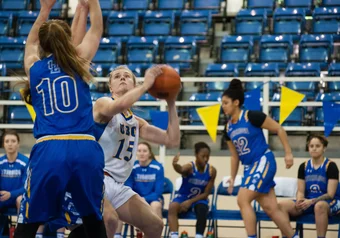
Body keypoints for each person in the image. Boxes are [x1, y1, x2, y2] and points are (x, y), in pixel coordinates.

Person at [14, 0, 108, 236]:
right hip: (84, 146)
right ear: (67, 41)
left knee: (30, 221)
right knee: (93, 220)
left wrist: (44, 9)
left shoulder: (34, 67)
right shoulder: (79, 61)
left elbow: (31, 42)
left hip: (50, 147)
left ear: (44, 44)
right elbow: (96, 29)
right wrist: (93, 2)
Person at [58, 64, 180, 238]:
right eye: (117, 76)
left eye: (127, 76)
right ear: (110, 87)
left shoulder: (137, 123)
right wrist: (145, 86)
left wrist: (171, 101)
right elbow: (117, 106)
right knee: (110, 220)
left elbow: (172, 140)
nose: (122, 78)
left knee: (155, 225)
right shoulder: (102, 104)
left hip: (116, 185)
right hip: (90, 179)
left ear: (133, 83)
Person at [222, 79, 298, 238]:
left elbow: (278, 128)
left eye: (226, 102)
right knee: (271, 208)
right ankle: (293, 236)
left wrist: (288, 152)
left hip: (263, 161)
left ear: (236, 102)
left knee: (242, 200)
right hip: (250, 167)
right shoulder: (228, 127)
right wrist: (232, 177)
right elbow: (234, 156)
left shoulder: (252, 116)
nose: (223, 106)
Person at [279, 135, 340, 238]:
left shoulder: (331, 166)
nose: (314, 148)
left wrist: (312, 201)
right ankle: (291, 236)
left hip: (329, 202)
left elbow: (330, 194)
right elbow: (301, 191)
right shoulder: (303, 166)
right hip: (308, 202)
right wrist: (299, 200)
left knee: (319, 206)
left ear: (324, 148)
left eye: (317, 146)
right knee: (281, 206)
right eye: (311, 146)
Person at [115, 142, 165, 238]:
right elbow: (128, 187)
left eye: (145, 151)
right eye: (139, 151)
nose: (142, 153)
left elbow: (158, 192)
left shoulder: (158, 167)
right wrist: (138, 199)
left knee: (156, 205)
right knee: (118, 204)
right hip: (135, 199)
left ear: (150, 153)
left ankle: (153, 235)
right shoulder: (132, 167)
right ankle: (117, 235)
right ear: (135, 153)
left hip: (152, 199)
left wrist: (143, 199)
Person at [168, 142, 217, 238]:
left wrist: (190, 202)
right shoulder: (190, 167)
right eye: (203, 156)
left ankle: (199, 235)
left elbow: (206, 193)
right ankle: (174, 235)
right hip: (184, 196)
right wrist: (174, 164)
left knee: (202, 210)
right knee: (172, 207)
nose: (206, 159)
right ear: (196, 155)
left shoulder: (212, 171)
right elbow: (181, 169)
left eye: (208, 156)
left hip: (199, 198)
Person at [0, 130, 28, 213]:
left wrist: (11, 194)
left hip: (18, 197)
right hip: (3, 197)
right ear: (3, 144)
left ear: (18, 144)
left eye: (13, 141)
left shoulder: (25, 162)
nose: (10, 144)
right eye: (7, 141)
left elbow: (27, 187)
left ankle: (20, 226)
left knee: (20, 200)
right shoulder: (1, 162)